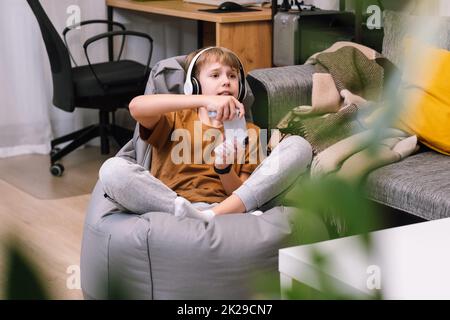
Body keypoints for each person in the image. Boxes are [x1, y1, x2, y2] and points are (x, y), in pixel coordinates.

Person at [99, 47, 312, 222]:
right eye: (215, 75)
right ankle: (191, 215)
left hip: (223, 208)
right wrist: (204, 101)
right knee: (111, 169)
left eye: (232, 76)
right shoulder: (175, 118)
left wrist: (224, 168)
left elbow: (241, 191)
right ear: (194, 85)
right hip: (168, 204)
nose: (226, 81)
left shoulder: (250, 133)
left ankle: (207, 217)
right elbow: (136, 106)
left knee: (299, 146)